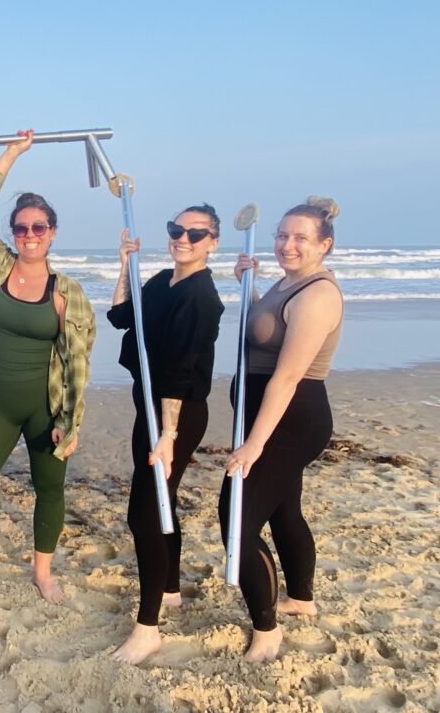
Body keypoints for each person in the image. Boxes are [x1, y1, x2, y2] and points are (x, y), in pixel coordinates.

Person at [0, 129, 96, 607]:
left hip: (42, 410)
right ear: (12, 233)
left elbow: (77, 363)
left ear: (52, 232)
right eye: (22, 228)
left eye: (39, 228)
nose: (30, 235)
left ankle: (42, 573)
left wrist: (70, 422)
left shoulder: (66, 292)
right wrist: (12, 153)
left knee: (49, 490)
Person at [219, 196, 343, 662]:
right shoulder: (287, 282)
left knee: (236, 518)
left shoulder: (317, 295)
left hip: (289, 421)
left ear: (324, 245)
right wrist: (249, 287)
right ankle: (302, 599)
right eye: (282, 235)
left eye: (301, 238)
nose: (288, 245)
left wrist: (254, 444)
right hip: (271, 417)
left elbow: (287, 377)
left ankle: (266, 629)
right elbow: (266, 332)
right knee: (285, 511)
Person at [106, 207, 224, 665]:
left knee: (144, 515)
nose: (184, 239)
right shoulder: (163, 281)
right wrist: (124, 264)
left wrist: (168, 434)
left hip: (176, 415)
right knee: (162, 501)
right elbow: (122, 315)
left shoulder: (200, 297)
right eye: (177, 230)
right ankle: (170, 588)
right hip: (152, 410)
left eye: (196, 234)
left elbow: (178, 372)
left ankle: (148, 628)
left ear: (212, 241)